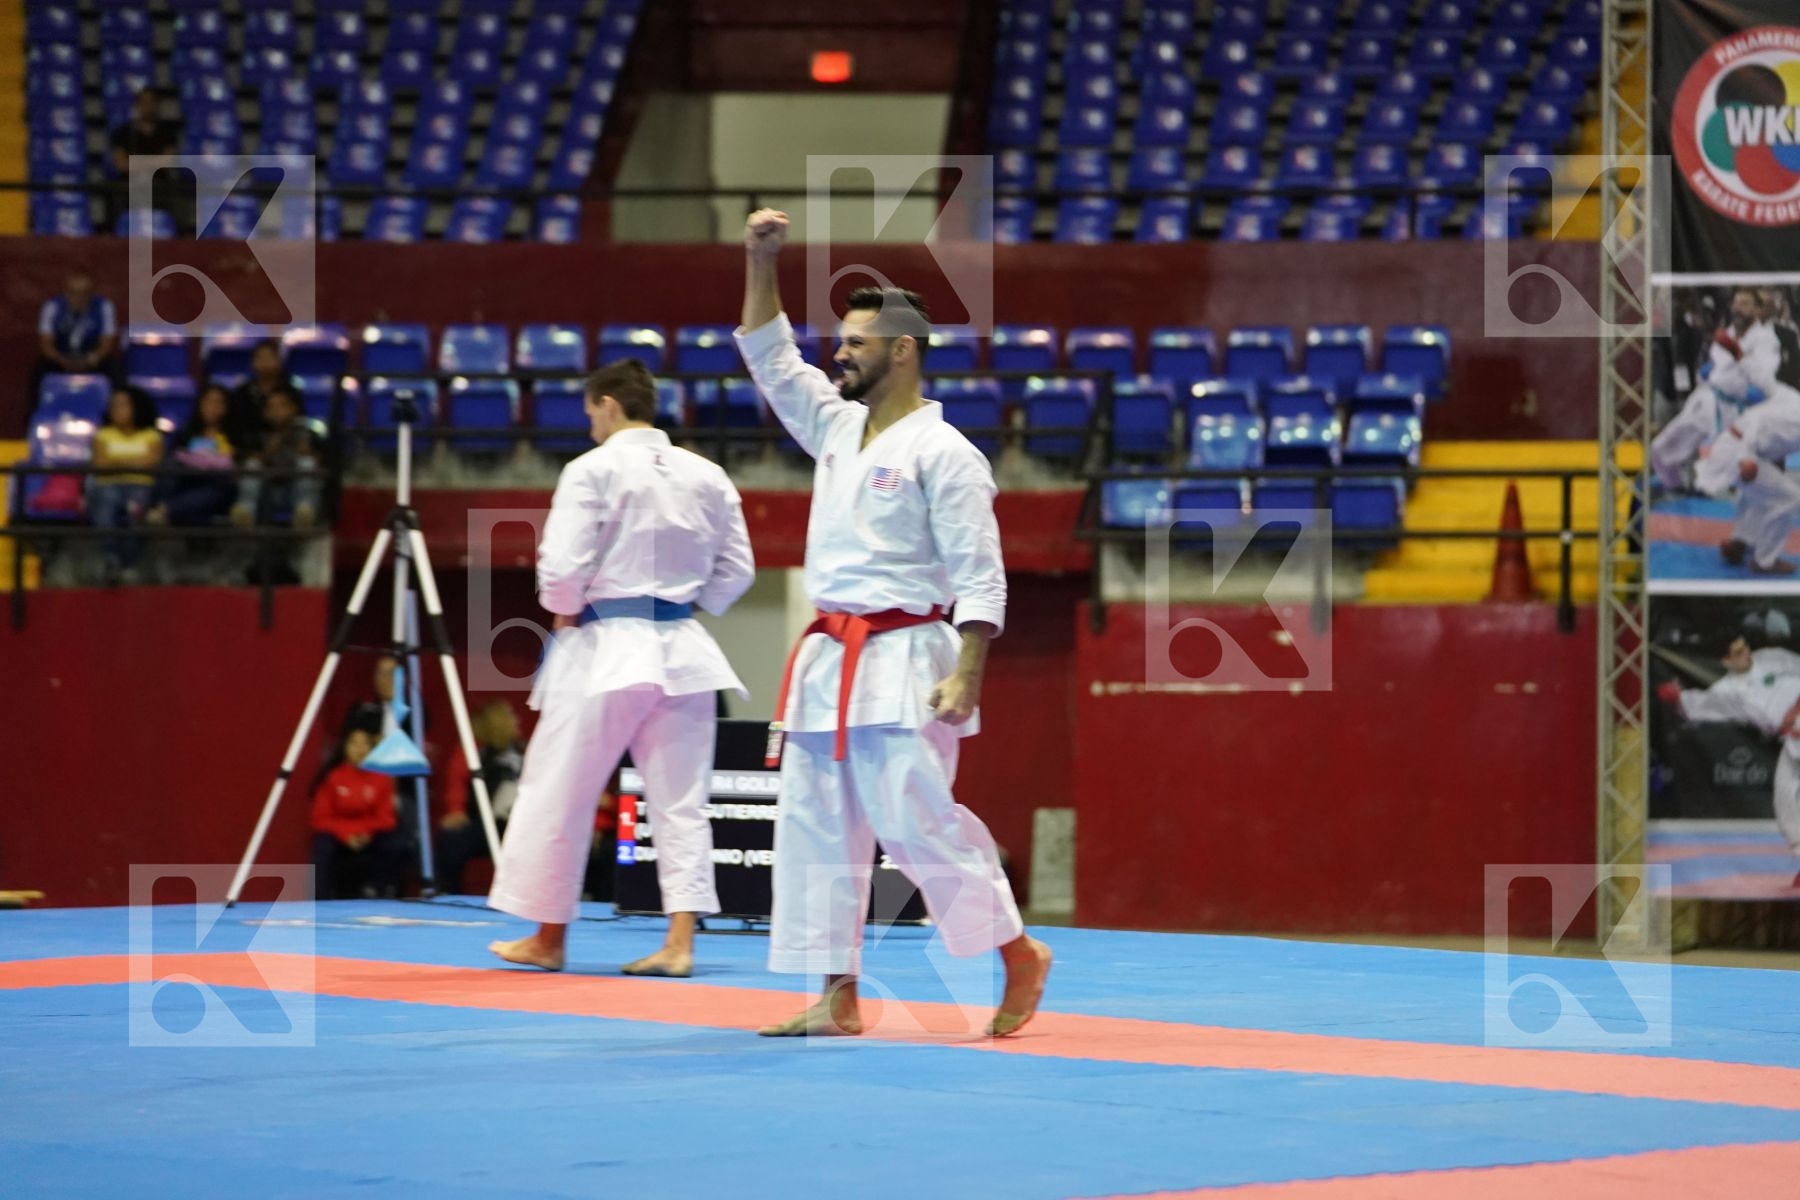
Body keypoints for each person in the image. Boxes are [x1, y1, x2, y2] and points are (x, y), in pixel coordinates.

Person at [735, 208, 1052, 1038]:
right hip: (825, 657)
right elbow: (770, 357)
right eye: (839, 340)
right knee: (813, 830)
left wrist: (968, 670)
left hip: (910, 653)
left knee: (916, 821)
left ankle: (1015, 950)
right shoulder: (835, 427)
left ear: (903, 350)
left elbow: (981, 573)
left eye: (856, 342)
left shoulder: (945, 453)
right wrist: (762, 259)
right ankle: (837, 993)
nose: (838, 352)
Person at [486, 358, 755, 977]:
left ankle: (549, 938)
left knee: (561, 792)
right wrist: (692, 602)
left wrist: (562, 610)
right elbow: (737, 569)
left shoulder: (592, 469)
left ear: (607, 404)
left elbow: (560, 567)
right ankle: (681, 943)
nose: (588, 427)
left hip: (606, 647)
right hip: (683, 648)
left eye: (589, 414)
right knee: (681, 802)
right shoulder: (708, 474)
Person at [1657, 636, 1800, 885]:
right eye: (1737, 652)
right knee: (1784, 802)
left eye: (1745, 648)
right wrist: (1678, 699)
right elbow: (1702, 705)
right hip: (1792, 741)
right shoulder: (1727, 690)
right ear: (1726, 661)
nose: (1746, 653)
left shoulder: (1772, 657)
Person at [1651, 288, 1782, 490]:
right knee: (1662, 447)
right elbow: (1715, 361)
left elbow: (1763, 375)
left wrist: (1753, 391)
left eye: (1745, 303)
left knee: (1741, 474)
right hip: (1708, 401)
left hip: (1738, 411)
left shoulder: (1766, 340)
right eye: (1737, 303)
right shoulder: (1726, 333)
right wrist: (1711, 370)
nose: (1738, 308)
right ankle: (1673, 484)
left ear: (1757, 310)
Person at [1695, 381, 1800, 575]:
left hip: (1731, 446)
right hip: (1739, 451)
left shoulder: (1790, 396)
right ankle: (1765, 561)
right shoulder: (1796, 416)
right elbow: (1758, 420)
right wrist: (1747, 457)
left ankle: (1740, 543)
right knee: (1789, 498)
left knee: (1759, 493)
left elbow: (1767, 383)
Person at [435, 699, 526, 896]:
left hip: (519, 824)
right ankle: (448, 892)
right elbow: (456, 784)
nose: (517, 721)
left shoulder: (522, 751)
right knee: (451, 838)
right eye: (511, 716)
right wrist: (456, 810)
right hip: (483, 823)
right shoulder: (472, 752)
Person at [309, 725, 408, 900]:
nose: (360, 749)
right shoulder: (333, 778)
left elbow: (387, 819)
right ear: (345, 747)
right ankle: (320, 899)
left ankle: (383, 892)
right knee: (322, 844)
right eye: (354, 743)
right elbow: (320, 818)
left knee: (396, 843)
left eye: (365, 744)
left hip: (372, 835)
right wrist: (347, 834)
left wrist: (365, 832)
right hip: (340, 836)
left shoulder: (382, 778)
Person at [88, 384, 163, 584]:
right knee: (105, 501)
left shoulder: (151, 435)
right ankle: (111, 559)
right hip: (108, 484)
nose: (118, 410)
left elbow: (152, 463)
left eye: (124, 405)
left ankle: (129, 564)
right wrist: (135, 462)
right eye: (114, 406)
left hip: (141, 486)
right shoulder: (103, 434)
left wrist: (118, 462)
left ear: (136, 407)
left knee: (136, 510)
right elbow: (101, 464)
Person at [147, 383, 238, 529]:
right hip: (189, 481)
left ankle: (162, 510)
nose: (213, 407)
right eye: (208, 401)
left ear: (227, 407)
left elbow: (233, 464)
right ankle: (156, 505)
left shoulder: (234, 434)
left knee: (216, 489)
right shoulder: (187, 432)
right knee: (170, 464)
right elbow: (177, 456)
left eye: (218, 402)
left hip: (219, 486)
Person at [30, 272, 118, 407]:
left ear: (92, 293)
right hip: (61, 357)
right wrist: (62, 360)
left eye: (84, 293)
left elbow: (107, 343)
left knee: (115, 371)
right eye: (73, 293)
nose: (78, 298)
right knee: (39, 371)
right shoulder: (52, 306)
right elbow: (46, 344)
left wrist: (91, 359)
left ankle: (113, 419)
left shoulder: (104, 306)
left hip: (91, 358)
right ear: (65, 292)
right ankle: (34, 416)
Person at [108, 87, 187, 232]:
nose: (148, 106)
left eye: (152, 102)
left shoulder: (167, 132)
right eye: (144, 102)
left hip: (159, 186)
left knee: (179, 195)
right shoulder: (122, 132)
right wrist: (154, 162)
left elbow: (167, 163)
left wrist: (137, 161)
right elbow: (122, 165)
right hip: (130, 186)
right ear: (137, 106)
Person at [227, 339, 285, 450]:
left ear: (279, 361)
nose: (265, 362)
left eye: (270, 357)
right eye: (260, 357)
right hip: (249, 449)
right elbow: (236, 427)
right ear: (252, 362)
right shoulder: (242, 393)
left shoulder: (289, 391)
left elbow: (299, 422)